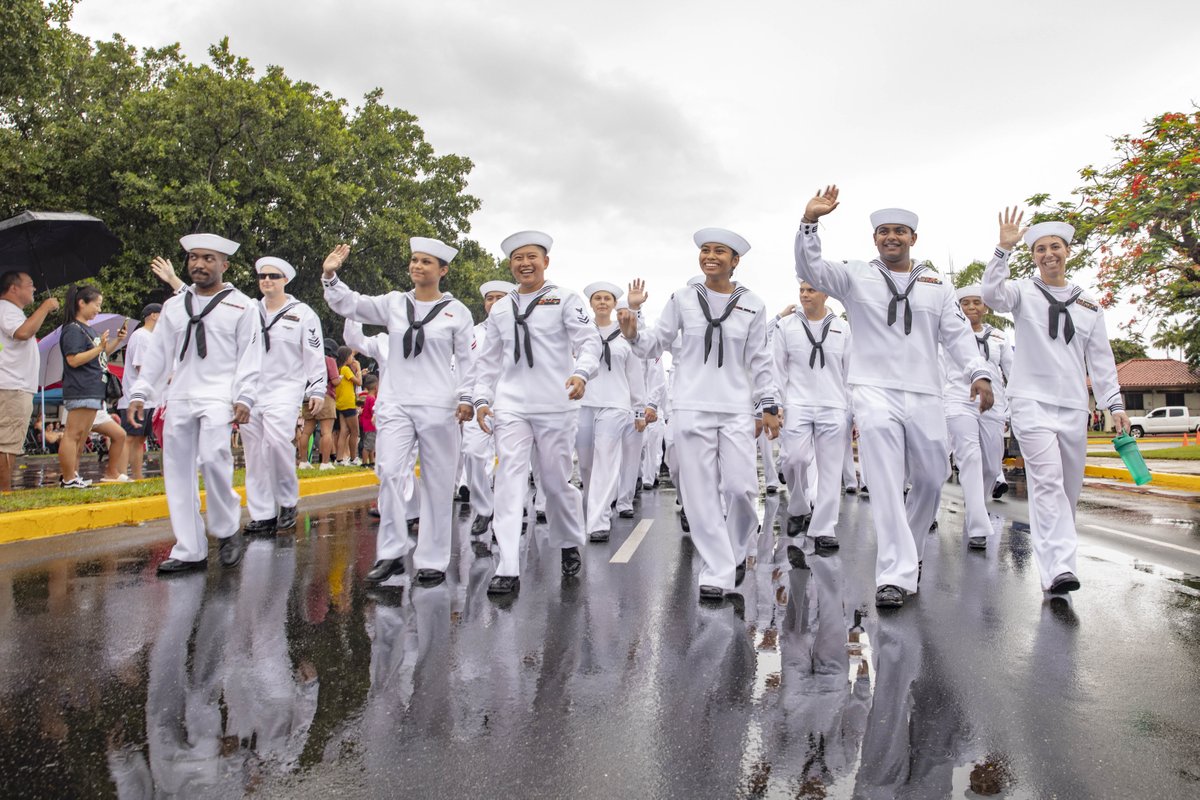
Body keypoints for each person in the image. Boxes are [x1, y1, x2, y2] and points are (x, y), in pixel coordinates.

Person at [795, 187, 993, 609]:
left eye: (899, 232)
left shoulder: (937, 285)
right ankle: (894, 573)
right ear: (875, 239)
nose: (891, 238)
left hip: (924, 393)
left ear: (913, 239)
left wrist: (979, 372)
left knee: (930, 477)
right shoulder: (854, 275)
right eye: (884, 232)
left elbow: (958, 336)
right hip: (873, 391)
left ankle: (912, 550)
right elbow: (809, 266)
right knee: (884, 481)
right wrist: (810, 223)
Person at [620, 228, 780, 602]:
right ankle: (718, 569)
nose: (710, 256)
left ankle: (736, 549)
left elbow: (760, 360)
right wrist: (631, 333)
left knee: (741, 489)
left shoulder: (753, 304)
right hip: (691, 407)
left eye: (719, 251)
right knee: (700, 493)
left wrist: (768, 405)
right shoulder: (683, 298)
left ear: (734, 260)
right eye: (705, 251)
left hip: (736, 409)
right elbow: (653, 344)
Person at [982, 208, 1130, 595]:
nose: (1049, 254)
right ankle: (1058, 569)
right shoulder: (1022, 292)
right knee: (1046, 483)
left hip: (1073, 405)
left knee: (1068, 490)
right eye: (1041, 249)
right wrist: (1003, 249)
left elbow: (1101, 361)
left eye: (1056, 247)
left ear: (1067, 252)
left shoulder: (1089, 306)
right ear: (1033, 256)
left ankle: (1058, 565)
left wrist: (1114, 405)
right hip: (1031, 401)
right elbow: (991, 296)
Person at [323, 237, 476, 587]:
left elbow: (469, 362)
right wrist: (331, 277)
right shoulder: (394, 303)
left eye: (425, 262)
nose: (417, 266)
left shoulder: (458, 312)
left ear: (443, 270)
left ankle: (432, 559)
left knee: (438, 482)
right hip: (396, 403)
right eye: (414, 260)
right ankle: (391, 553)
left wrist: (468, 397)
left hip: (440, 405)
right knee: (390, 472)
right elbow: (353, 305)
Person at [472, 231, 602, 595]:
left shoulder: (565, 299)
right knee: (509, 479)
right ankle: (508, 565)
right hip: (511, 403)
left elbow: (589, 342)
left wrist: (581, 373)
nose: (524, 264)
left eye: (531, 257)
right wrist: (482, 400)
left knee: (555, 482)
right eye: (517, 258)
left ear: (545, 261)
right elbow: (488, 361)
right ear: (510, 265)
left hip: (556, 402)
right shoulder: (500, 308)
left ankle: (568, 541)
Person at [128, 234, 262, 574]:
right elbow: (158, 355)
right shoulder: (174, 306)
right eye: (193, 258)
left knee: (216, 458)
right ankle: (189, 548)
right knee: (177, 470)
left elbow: (251, 356)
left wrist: (245, 396)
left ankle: (227, 525)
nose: (198, 265)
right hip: (181, 395)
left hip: (219, 394)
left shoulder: (243, 306)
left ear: (224, 265)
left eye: (207, 258)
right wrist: (142, 392)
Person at [240, 256, 328, 535]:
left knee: (278, 443)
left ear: (285, 281)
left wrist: (317, 388)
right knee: (254, 453)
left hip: (285, 388)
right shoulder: (249, 311)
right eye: (263, 275)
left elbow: (314, 353)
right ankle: (263, 513)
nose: (267, 280)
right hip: (251, 390)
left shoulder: (303, 313)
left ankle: (288, 500)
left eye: (273, 276)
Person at [774, 280, 853, 554]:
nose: (805, 295)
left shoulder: (843, 328)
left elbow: (850, 374)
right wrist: (776, 404)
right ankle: (798, 505)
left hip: (833, 404)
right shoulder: (786, 327)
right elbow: (777, 369)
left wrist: (853, 411)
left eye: (811, 290)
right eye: (802, 290)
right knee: (794, 458)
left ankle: (824, 528)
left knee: (831, 470)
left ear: (825, 293)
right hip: (797, 403)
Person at [943, 285, 1013, 549]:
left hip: (993, 404)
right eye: (965, 303)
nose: (971, 307)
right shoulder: (947, 336)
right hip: (959, 399)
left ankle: (978, 509)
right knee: (969, 457)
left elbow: (1012, 371)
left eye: (976, 303)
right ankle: (977, 526)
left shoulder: (999, 338)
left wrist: (1011, 408)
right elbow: (939, 370)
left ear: (986, 307)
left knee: (991, 465)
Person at [576, 282, 646, 542]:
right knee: (585, 464)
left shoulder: (625, 334)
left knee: (606, 459)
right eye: (597, 298)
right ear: (591, 304)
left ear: (614, 304)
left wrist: (639, 409)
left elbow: (635, 375)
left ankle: (599, 521)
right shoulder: (580, 333)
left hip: (616, 404)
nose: (603, 302)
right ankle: (591, 508)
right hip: (583, 403)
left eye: (607, 298)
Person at [58, 284, 129, 487]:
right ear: (82, 303)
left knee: (80, 437)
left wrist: (115, 342)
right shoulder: (73, 329)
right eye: (96, 305)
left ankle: (73, 475)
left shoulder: (86, 329)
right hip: (81, 388)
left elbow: (99, 358)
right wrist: (99, 347)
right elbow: (73, 360)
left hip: (92, 389)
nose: (98, 309)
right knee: (73, 435)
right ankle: (69, 478)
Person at [461, 280, 515, 537]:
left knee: (511, 463)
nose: (494, 303)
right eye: (489, 298)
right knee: (472, 454)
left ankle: (509, 515)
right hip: (478, 402)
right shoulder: (472, 332)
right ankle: (484, 508)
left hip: (513, 403)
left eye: (499, 298)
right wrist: (464, 398)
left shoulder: (522, 328)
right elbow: (466, 367)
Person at [0, 271, 59, 491]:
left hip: (12, 385)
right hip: (11, 387)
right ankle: (4, 496)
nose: (34, 289)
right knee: (6, 444)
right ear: (13, 288)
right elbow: (23, 333)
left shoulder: (10, 312)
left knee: (8, 442)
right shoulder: (7, 309)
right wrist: (45, 307)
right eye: (30, 284)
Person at [117, 304, 162, 480]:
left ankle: (136, 476)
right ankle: (121, 475)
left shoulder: (152, 337)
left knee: (140, 439)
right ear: (154, 316)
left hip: (149, 399)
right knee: (129, 438)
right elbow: (141, 367)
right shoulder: (141, 336)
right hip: (134, 397)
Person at [297, 343, 340, 470]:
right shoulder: (329, 360)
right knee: (326, 432)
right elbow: (335, 381)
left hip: (308, 397)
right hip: (325, 396)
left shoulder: (308, 359)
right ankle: (325, 463)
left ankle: (303, 461)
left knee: (306, 432)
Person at [333, 346, 362, 465]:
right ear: (346, 357)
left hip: (340, 403)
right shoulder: (345, 369)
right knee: (355, 431)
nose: (352, 358)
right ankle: (353, 458)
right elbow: (359, 382)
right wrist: (359, 369)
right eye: (351, 356)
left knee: (344, 431)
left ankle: (339, 459)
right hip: (349, 403)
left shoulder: (338, 368)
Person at [360, 373, 378, 468]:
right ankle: (364, 462)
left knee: (371, 444)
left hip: (367, 424)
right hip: (370, 425)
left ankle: (372, 461)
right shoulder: (372, 399)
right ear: (375, 387)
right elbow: (373, 412)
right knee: (368, 445)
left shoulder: (368, 397)